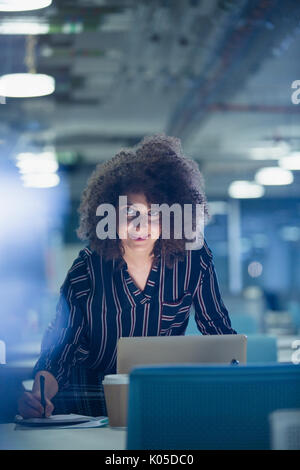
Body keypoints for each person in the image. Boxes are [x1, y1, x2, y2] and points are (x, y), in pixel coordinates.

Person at [18, 134, 236, 419]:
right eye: (130, 213)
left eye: (154, 214)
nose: (141, 225)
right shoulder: (86, 271)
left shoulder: (193, 260)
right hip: (88, 409)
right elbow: (59, 351)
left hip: (159, 403)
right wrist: (39, 393)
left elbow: (220, 335)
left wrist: (237, 384)